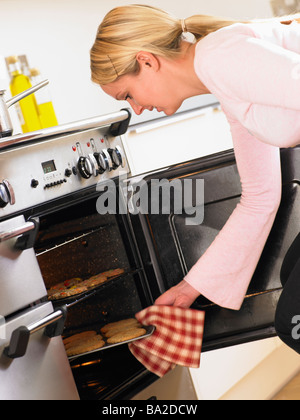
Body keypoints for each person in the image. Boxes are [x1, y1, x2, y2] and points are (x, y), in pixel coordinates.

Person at [90, 5, 300, 353]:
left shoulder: (218, 57)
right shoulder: (223, 76)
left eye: (127, 94)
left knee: (293, 322)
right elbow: (260, 196)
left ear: (147, 61)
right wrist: (191, 287)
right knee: (293, 269)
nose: (136, 108)